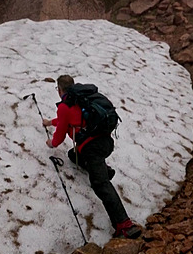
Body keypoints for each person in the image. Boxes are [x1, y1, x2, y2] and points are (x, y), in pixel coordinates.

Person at [42, 75, 142, 239]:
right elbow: (64, 120)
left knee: (100, 184)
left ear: (59, 90)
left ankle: (124, 225)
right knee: (72, 155)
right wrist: (49, 123)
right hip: (106, 142)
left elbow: (59, 135)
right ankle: (103, 169)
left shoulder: (65, 106)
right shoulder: (81, 98)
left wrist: (51, 144)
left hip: (93, 148)